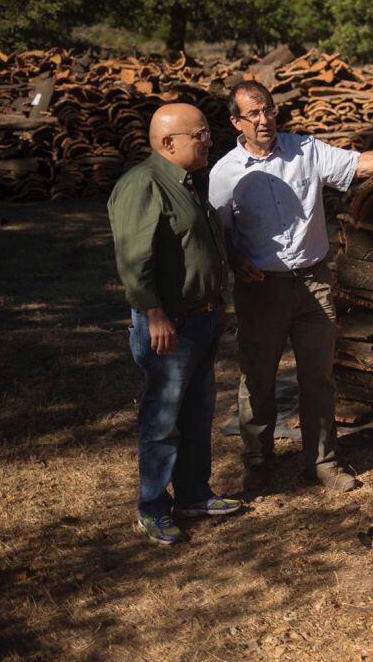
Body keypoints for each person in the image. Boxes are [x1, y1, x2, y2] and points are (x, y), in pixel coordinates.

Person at [209, 81, 373, 493]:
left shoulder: (306, 150)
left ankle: (322, 462)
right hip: (261, 289)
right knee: (258, 378)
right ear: (236, 122)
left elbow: (357, 165)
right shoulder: (224, 174)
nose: (264, 120)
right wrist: (235, 261)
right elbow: (217, 234)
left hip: (314, 283)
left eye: (269, 110)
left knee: (317, 377)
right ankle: (257, 462)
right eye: (254, 114)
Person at [108, 103, 242, 545]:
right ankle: (153, 507)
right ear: (169, 143)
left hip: (200, 318)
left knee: (198, 412)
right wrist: (154, 313)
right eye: (200, 134)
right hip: (169, 325)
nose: (209, 140)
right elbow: (134, 259)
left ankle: (192, 494)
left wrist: (216, 302)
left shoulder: (187, 183)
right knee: (163, 418)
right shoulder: (144, 184)